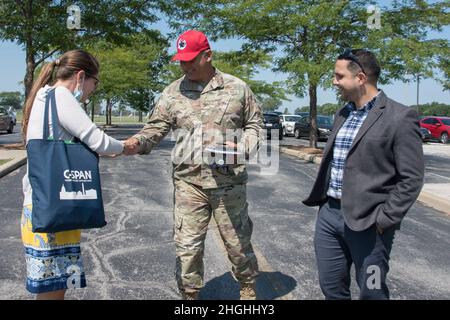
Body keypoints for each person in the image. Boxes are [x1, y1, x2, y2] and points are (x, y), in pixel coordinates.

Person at [123, 30, 263, 300]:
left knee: (237, 243)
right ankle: (190, 295)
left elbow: (255, 125)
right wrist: (136, 143)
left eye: (190, 60)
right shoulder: (173, 92)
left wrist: (244, 146)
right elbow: (156, 127)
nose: (184, 66)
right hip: (189, 182)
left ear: (208, 55)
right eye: (181, 61)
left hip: (228, 184)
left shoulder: (237, 88)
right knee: (187, 246)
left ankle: (247, 287)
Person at [303, 49, 424, 299]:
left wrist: (385, 219)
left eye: (339, 76)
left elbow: (411, 177)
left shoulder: (400, 117)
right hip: (329, 216)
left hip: (369, 223)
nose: (334, 82)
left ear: (360, 78)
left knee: (372, 291)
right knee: (331, 288)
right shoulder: (342, 114)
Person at [21, 49, 129, 299]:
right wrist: (126, 147)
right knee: (54, 292)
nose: (93, 89)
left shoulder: (42, 95)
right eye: (95, 82)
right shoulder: (61, 95)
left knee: (51, 289)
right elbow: (97, 140)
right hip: (53, 211)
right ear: (81, 76)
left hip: (38, 207)